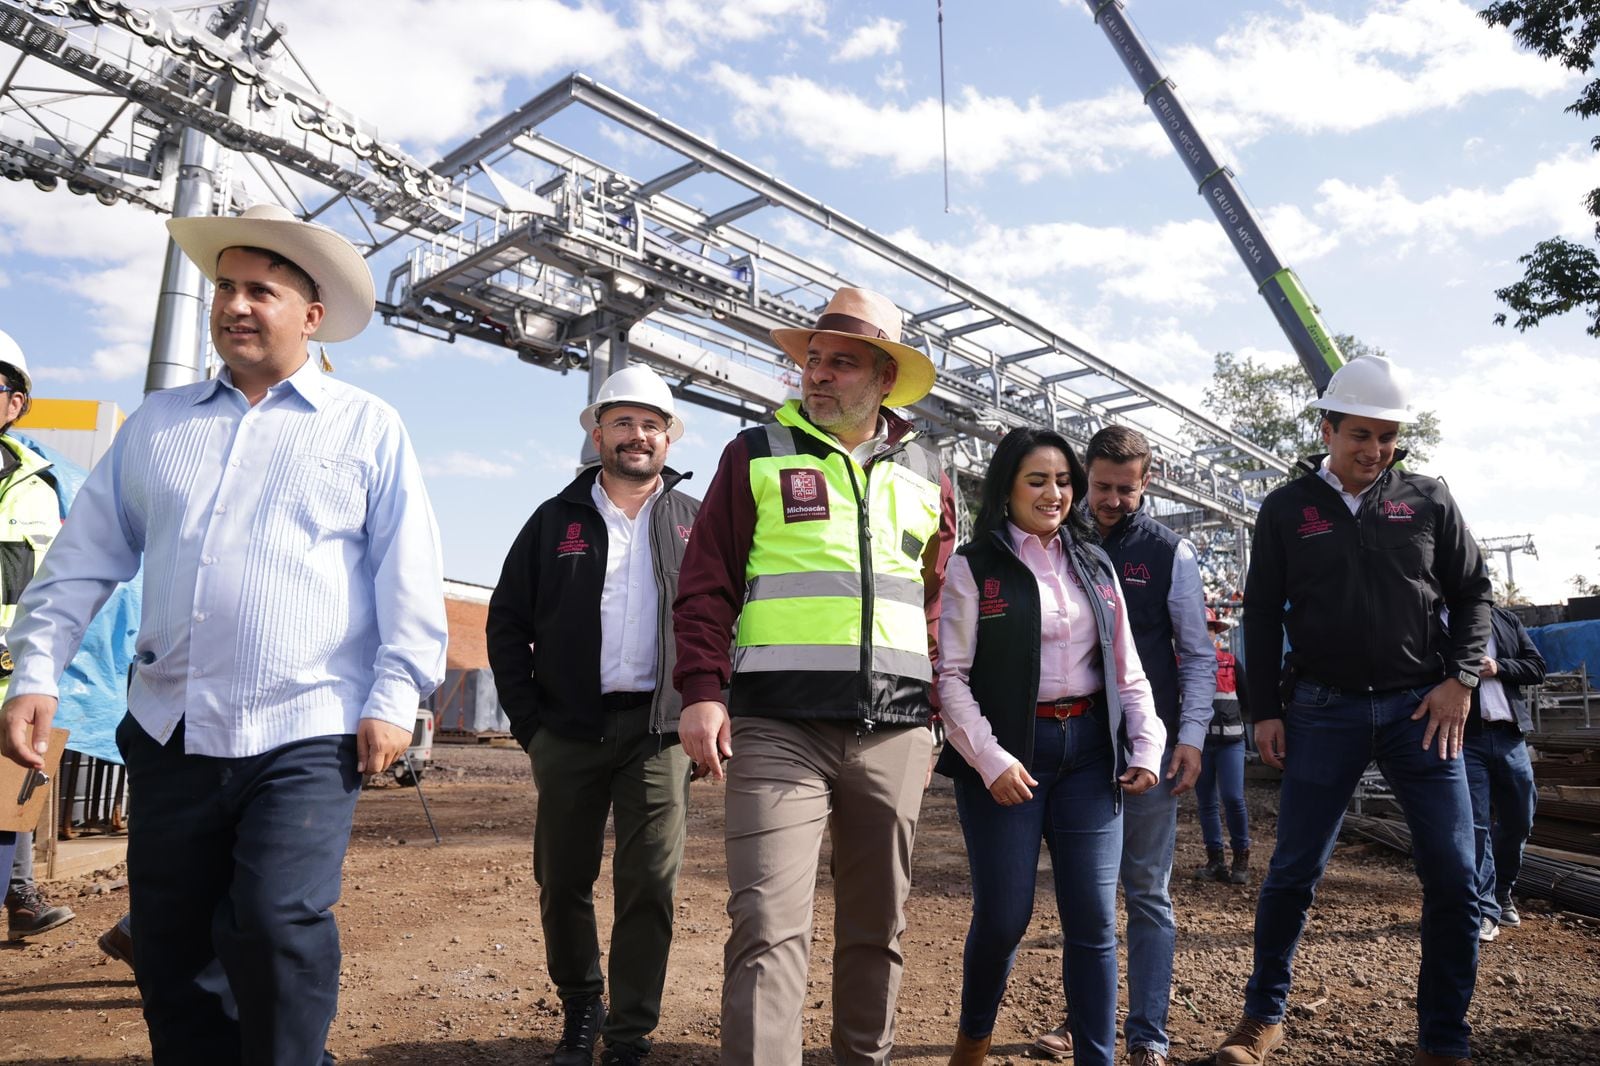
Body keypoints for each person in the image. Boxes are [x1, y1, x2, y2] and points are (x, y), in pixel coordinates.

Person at [0, 203, 448, 1065]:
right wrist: (36, 673)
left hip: (308, 730)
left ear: (311, 317)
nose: (236, 304)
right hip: (173, 730)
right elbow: (81, 561)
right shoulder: (161, 427)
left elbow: (409, 576)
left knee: (277, 921)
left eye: (261, 290)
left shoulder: (365, 428)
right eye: (225, 287)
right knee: (171, 945)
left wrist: (396, 697)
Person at [673, 286, 956, 1066]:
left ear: (884, 380)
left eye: (841, 363)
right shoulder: (757, 453)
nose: (818, 374)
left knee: (878, 927)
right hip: (777, 728)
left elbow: (931, 606)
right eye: (811, 360)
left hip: (895, 734)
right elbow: (705, 586)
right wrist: (701, 690)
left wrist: (932, 715)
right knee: (767, 924)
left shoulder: (930, 473)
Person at [1215, 355, 1492, 1066]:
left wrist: (1460, 680)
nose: (1375, 450)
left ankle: (1443, 1038)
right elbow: (1260, 617)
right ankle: (1261, 1018)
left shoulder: (1427, 499)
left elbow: (1473, 594)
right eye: (1361, 434)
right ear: (1328, 428)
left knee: (1456, 878)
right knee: (1293, 872)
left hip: (1420, 712)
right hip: (1322, 712)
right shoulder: (1286, 509)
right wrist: (1267, 709)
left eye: (1388, 437)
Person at [486, 364, 700, 1066]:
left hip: (659, 733)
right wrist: (531, 726)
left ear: (668, 438)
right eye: (623, 422)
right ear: (598, 432)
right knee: (563, 880)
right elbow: (507, 622)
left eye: (651, 424)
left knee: (650, 886)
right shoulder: (555, 521)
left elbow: (729, 617)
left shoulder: (697, 521)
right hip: (569, 731)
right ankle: (583, 1006)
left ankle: (631, 1035)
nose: (637, 435)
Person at [935, 427, 1164, 1066]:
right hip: (1009, 756)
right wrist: (990, 759)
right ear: (1006, 487)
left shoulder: (1094, 562)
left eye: (1064, 480)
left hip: (1090, 754)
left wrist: (1145, 744)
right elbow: (949, 677)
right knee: (1005, 916)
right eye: (1037, 479)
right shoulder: (973, 565)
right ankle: (973, 1039)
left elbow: (1127, 666)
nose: (1054, 492)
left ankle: (1098, 1058)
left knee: (1093, 922)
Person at [1033, 424, 1214, 1066]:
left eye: (1126, 490)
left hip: (1148, 750)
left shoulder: (1170, 554)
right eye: (1102, 487)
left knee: (1145, 889)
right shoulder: (1056, 536)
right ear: (1085, 474)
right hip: (1074, 747)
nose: (1111, 500)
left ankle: (1148, 1033)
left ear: (1148, 481)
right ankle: (1084, 1025)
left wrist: (1191, 736)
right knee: (1086, 892)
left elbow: (1196, 655)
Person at [0, 330, 76, 941]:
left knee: (10, 806)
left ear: (16, 403)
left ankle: (19, 892)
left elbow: (61, 586)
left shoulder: (43, 485)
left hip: (11, 680)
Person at [1462, 604, 1545, 943]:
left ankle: (1501, 892)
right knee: (1476, 825)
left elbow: (1537, 667)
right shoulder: (1436, 618)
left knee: (1519, 819)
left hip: (1510, 736)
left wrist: (1498, 666)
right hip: (1466, 739)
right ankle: (1485, 909)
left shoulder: (1505, 619)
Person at [1193, 608, 1251, 885]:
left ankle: (1241, 857)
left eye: (1209, 629)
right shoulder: (1184, 665)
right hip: (1200, 745)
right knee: (1206, 802)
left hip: (1231, 743)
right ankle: (1215, 860)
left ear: (1216, 633)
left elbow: (1249, 702)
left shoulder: (1231, 662)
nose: (1205, 634)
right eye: (1200, 628)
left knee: (1233, 798)